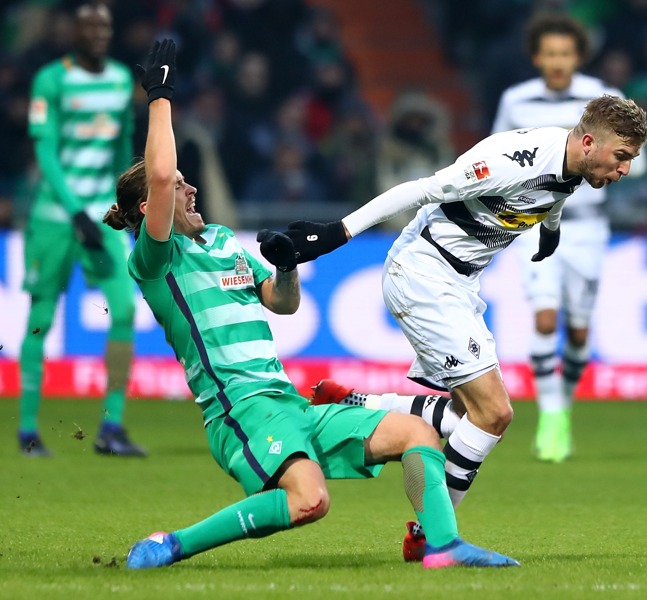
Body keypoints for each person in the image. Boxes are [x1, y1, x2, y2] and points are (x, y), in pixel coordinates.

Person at [107, 39, 517, 570]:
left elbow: (282, 305)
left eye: (187, 185)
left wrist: (285, 266)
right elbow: (161, 175)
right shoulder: (158, 260)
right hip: (239, 409)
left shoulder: (224, 241)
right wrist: (160, 95)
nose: (189, 192)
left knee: (418, 434)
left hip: (287, 401)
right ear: (149, 209)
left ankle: (442, 547)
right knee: (310, 503)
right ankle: (172, 544)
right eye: (181, 188)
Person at [264, 87, 647, 555]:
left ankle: (360, 404)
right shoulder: (512, 159)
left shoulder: (574, 166)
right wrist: (336, 232)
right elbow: (421, 188)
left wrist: (550, 229)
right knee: (495, 413)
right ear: (589, 143)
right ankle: (433, 539)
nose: (625, 170)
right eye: (622, 156)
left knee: (469, 416)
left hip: (459, 282)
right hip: (425, 274)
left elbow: (556, 192)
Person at [490, 13, 640, 463]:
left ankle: (565, 407)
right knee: (544, 320)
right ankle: (551, 416)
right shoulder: (516, 100)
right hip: (532, 223)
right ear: (538, 57)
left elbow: (637, 158)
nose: (558, 61)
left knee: (578, 330)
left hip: (588, 226)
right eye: (550, 53)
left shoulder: (604, 101)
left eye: (566, 53)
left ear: (578, 56)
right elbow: (499, 152)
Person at [19, 2, 144, 457]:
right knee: (41, 319)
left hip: (102, 218)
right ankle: (28, 430)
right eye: (89, 25)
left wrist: (125, 208)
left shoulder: (118, 82)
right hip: (55, 219)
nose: (98, 32)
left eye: (105, 25)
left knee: (125, 311)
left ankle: (111, 427)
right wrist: (75, 212)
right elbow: (47, 155)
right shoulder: (51, 80)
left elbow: (121, 152)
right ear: (73, 31)